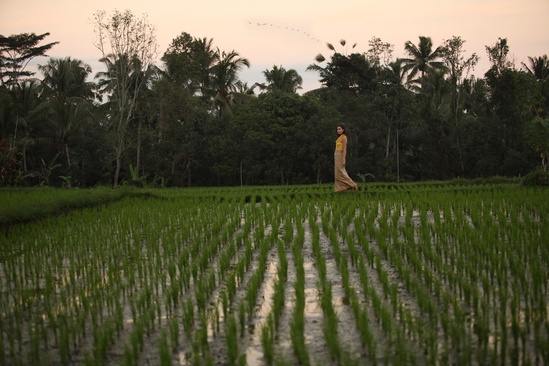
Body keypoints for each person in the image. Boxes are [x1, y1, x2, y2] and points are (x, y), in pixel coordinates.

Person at [334, 124, 358, 192]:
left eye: (339, 129)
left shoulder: (344, 137)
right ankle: (340, 188)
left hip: (340, 155)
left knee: (341, 172)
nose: (338, 130)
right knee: (337, 173)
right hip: (336, 155)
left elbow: (344, 149)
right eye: (337, 129)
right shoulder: (339, 138)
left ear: (343, 130)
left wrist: (343, 159)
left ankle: (352, 184)